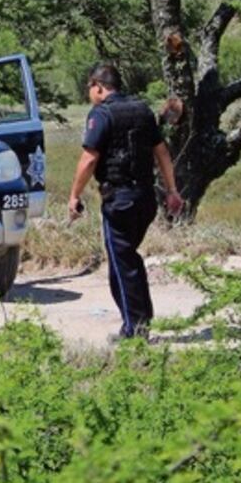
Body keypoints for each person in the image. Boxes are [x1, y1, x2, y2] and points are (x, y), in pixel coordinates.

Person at [68, 64, 183, 340]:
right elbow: (163, 153)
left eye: (90, 89)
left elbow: (89, 158)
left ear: (98, 86)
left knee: (122, 265)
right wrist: (172, 191)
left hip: (119, 200)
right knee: (128, 259)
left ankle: (134, 329)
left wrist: (74, 195)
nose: (90, 94)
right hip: (145, 199)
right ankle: (141, 320)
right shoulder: (142, 110)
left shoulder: (101, 113)